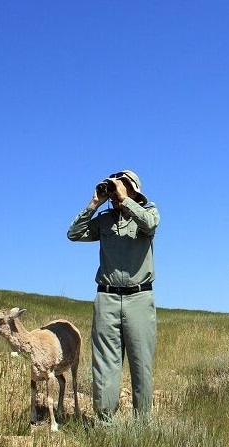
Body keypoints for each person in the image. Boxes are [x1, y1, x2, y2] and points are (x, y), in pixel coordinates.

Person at [67, 170, 160, 421]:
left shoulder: (148, 212)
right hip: (106, 298)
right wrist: (94, 204)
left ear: (134, 190)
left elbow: (150, 225)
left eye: (122, 185)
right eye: (114, 186)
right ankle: (105, 424)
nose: (116, 190)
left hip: (139, 298)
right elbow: (74, 234)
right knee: (105, 366)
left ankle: (142, 425)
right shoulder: (104, 220)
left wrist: (126, 200)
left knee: (141, 365)